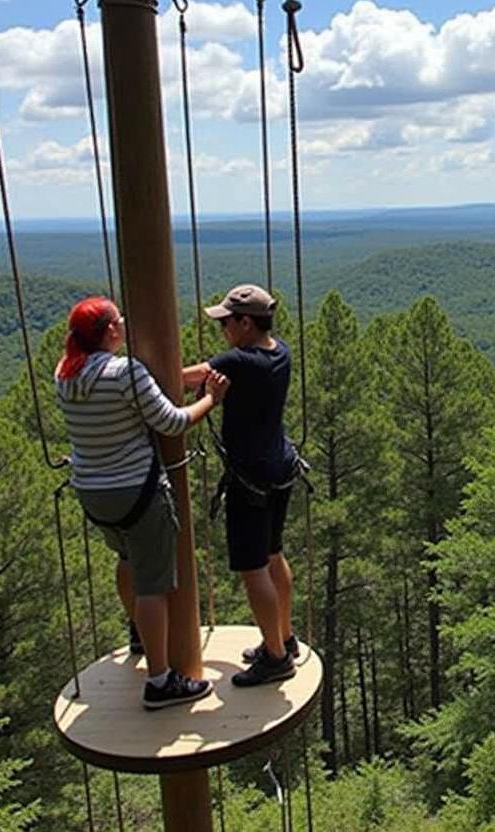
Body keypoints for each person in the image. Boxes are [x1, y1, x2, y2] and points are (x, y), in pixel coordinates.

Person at [55, 296, 229, 709]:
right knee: (154, 585)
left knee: (128, 561)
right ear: (110, 331)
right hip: (137, 491)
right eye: (119, 319)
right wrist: (210, 398)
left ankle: (139, 634)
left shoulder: (65, 373)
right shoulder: (125, 372)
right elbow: (173, 422)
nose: (124, 324)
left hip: (93, 493)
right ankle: (160, 681)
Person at [183, 284, 301, 687]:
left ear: (245, 322)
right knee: (273, 555)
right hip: (280, 468)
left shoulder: (238, 362)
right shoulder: (279, 352)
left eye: (226, 323)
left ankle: (275, 657)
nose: (222, 330)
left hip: (250, 478)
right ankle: (283, 638)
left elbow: (187, 378)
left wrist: (135, 373)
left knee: (253, 570)